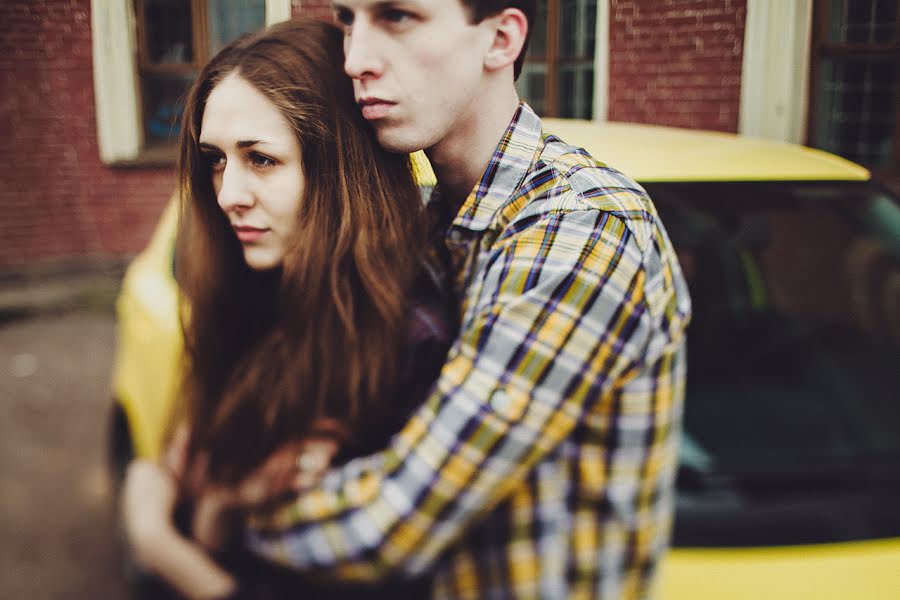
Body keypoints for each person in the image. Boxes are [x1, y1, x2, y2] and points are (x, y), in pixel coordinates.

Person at [132, 1, 693, 598]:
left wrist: (214, 518)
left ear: (501, 39)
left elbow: (392, 524)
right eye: (348, 19)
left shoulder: (579, 230)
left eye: (397, 17)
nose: (356, 58)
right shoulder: (430, 232)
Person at [121, 17, 456, 599]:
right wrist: (213, 511)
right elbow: (203, 508)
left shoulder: (409, 345)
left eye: (261, 159)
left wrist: (159, 540)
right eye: (217, 160)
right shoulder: (250, 298)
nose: (227, 194)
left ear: (339, 168)